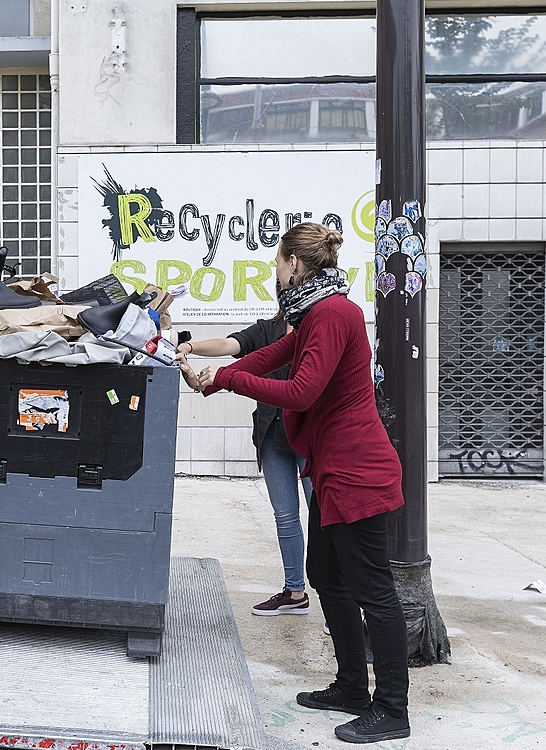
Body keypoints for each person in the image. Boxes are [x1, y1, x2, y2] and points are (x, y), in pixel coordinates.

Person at [181, 223, 411, 745]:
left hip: (359, 472)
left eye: (275, 263)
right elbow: (274, 356)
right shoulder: (312, 313)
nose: (272, 273)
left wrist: (227, 379)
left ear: (294, 264)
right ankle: (352, 686)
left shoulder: (332, 314)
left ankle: (392, 709)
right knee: (326, 575)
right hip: (333, 471)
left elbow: (302, 391)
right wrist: (216, 372)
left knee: (374, 590)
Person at [177, 323, 316, 617]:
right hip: (273, 431)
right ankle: (295, 592)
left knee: (324, 516)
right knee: (286, 516)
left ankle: (339, 603)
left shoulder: (321, 326)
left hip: (312, 433)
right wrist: (189, 348)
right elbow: (230, 345)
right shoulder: (271, 330)